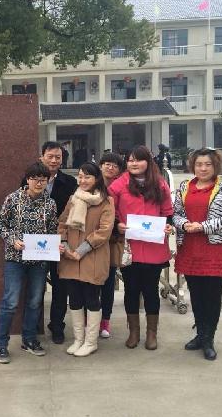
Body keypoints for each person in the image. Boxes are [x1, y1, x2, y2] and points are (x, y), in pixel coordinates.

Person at [173, 148, 222, 361]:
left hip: (214, 250)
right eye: (199, 164)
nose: (203, 168)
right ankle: (200, 334)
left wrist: (202, 226)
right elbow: (175, 214)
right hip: (190, 248)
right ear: (193, 166)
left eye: (208, 164)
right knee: (196, 295)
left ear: (215, 166)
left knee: (212, 296)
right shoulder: (185, 186)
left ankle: (209, 338)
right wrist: (184, 223)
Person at [108, 145, 174, 350]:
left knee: (151, 290)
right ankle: (134, 332)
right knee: (131, 290)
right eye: (130, 160)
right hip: (129, 248)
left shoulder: (160, 184)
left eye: (138, 159)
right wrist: (117, 224)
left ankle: (152, 333)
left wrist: (168, 225)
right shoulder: (119, 184)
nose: (134, 163)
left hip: (154, 247)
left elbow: (167, 212)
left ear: (148, 162)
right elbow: (109, 211)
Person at [0, 162, 58, 364]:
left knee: (34, 301)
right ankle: (1, 343)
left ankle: (29, 339)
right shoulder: (13, 199)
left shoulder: (50, 204)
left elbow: (52, 230)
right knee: (10, 301)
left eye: (43, 180)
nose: (39, 183)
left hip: (39, 261)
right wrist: (12, 239)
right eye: (35, 179)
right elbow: (1, 225)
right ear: (27, 179)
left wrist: (55, 246)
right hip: (15, 258)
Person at [22, 141, 77, 344]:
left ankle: (57, 326)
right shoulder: (28, 179)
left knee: (60, 287)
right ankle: (34, 325)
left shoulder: (70, 182)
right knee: (35, 287)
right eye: (50, 156)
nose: (54, 160)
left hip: (59, 242)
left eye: (58, 157)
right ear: (42, 157)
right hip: (35, 243)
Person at [58, 162, 115, 356]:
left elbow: (104, 231)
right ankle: (78, 339)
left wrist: (81, 250)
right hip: (70, 256)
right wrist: (65, 246)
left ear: (97, 179)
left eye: (87, 177)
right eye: (80, 176)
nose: (82, 180)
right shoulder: (73, 198)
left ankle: (91, 342)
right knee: (74, 299)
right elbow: (62, 224)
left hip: (93, 256)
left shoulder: (106, 201)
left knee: (92, 298)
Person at [98, 152, 126, 338]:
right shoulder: (90, 183)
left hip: (112, 240)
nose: (110, 167)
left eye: (115, 165)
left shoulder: (123, 188)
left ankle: (105, 320)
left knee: (108, 282)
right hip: (92, 241)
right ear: (100, 166)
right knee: (91, 282)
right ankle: (90, 318)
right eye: (107, 164)